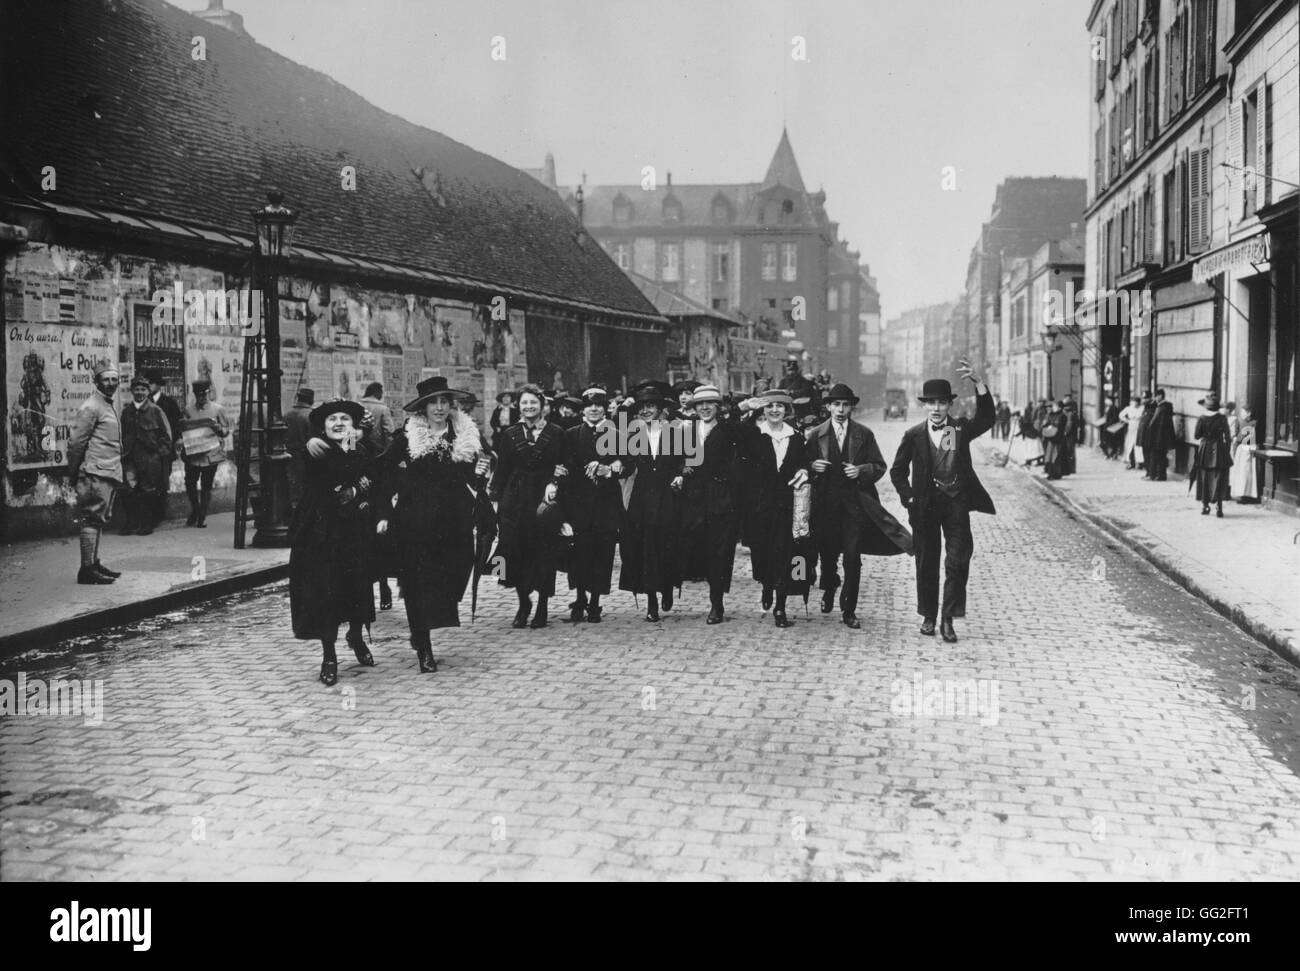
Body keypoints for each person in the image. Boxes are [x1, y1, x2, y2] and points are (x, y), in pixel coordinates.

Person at [373, 376, 489, 672]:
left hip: (454, 520)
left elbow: (480, 471)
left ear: (452, 405)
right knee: (417, 582)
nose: (439, 408)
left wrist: (482, 471)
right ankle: (422, 644)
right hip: (415, 520)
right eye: (432, 402)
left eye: (444, 401)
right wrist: (385, 512)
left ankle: (425, 626)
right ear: (422, 408)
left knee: (455, 572)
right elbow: (382, 471)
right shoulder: (407, 437)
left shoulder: (467, 435)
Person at [889, 361, 996, 644]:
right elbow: (897, 471)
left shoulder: (959, 430)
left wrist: (980, 383)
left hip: (956, 503)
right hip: (925, 506)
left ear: (949, 405)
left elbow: (986, 420)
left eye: (942, 403)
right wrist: (909, 498)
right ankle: (928, 616)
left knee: (957, 561)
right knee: (926, 562)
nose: (936, 408)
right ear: (925, 406)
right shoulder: (913, 435)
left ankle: (948, 618)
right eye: (931, 403)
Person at [807, 383, 912, 629]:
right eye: (836, 405)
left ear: (851, 407)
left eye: (845, 405)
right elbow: (801, 465)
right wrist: (812, 466)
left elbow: (879, 465)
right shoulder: (815, 435)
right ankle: (830, 588)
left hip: (854, 506)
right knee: (828, 556)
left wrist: (861, 470)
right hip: (824, 507)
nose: (841, 410)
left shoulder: (864, 434)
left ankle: (848, 610)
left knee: (852, 558)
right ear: (828, 407)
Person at [290, 399, 379, 686]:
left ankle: (356, 635)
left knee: (357, 587)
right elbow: (334, 477)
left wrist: (360, 484)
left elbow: (374, 473)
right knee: (327, 593)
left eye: (345, 419)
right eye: (332, 420)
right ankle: (329, 655)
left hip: (355, 531)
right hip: (324, 533)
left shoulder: (360, 449)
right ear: (323, 427)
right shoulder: (316, 450)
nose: (339, 423)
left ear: (354, 425)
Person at [490, 384, 566, 629]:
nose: (529, 407)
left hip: (544, 502)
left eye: (533, 402)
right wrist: (495, 501)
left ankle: (542, 605)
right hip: (515, 501)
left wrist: (555, 483)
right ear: (518, 406)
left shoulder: (556, 433)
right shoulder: (510, 434)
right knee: (513, 553)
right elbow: (501, 471)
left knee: (544, 553)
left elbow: (564, 465)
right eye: (524, 403)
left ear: (542, 404)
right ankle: (524, 603)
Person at [740, 389, 811, 629]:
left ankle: (780, 606)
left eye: (779, 406)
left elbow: (804, 462)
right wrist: (745, 408)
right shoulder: (754, 435)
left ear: (786, 410)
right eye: (770, 406)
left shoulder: (797, 437)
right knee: (762, 553)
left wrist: (804, 470)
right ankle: (766, 585)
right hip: (759, 506)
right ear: (763, 409)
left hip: (786, 505)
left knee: (784, 553)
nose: (774, 410)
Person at [674, 384, 743, 625]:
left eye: (709, 404)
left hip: (721, 498)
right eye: (699, 405)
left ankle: (717, 603)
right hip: (693, 499)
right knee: (696, 548)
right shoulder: (687, 431)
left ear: (718, 407)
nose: (704, 408)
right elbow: (674, 460)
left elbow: (740, 463)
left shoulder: (729, 431)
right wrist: (682, 469)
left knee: (719, 551)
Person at [558, 386, 626, 623]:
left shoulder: (618, 434)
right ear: (583, 409)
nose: (594, 409)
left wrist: (610, 469)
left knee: (603, 552)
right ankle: (579, 598)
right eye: (589, 405)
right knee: (579, 553)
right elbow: (565, 467)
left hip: (606, 504)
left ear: (605, 407)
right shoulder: (572, 434)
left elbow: (629, 464)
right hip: (579, 505)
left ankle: (595, 601)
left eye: (598, 405)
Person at [618, 381, 685, 622]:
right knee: (645, 548)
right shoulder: (633, 433)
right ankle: (652, 601)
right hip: (643, 497)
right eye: (642, 407)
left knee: (667, 545)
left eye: (651, 406)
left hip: (668, 495)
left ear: (660, 408)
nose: (646, 411)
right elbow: (626, 463)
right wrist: (616, 468)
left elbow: (683, 463)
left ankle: (666, 587)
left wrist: (680, 475)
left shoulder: (675, 432)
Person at [67, 361, 125, 584]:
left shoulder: (106, 404)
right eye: (106, 380)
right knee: (91, 518)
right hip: (95, 472)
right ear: (96, 382)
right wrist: (73, 473)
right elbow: (76, 443)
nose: (111, 383)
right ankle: (86, 570)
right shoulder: (91, 406)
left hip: (107, 471)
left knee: (97, 519)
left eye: (114, 379)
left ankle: (93, 563)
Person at [119, 375, 173, 535]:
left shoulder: (156, 411)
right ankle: (131, 523)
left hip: (149, 458)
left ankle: (146, 524)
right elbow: (121, 434)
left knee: (148, 491)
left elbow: (167, 437)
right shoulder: (126, 412)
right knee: (128, 489)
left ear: (148, 391)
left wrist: (158, 455)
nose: (140, 392)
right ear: (132, 391)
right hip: (130, 457)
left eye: (143, 389)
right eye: (136, 389)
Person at [179, 379, 229, 527]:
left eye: (205, 394)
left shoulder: (218, 409)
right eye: (199, 395)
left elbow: (226, 431)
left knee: (207, 485)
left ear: (209, 392)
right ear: (194, 394)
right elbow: (184, 430)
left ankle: (202, 516)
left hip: (210, 453)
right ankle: (196, 509)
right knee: (190, 483)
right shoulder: (188, 410)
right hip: (193, 453)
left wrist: (218, 428)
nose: (202, 397)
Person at [144, 370, 181, 523]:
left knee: (162, 481)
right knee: (149, 481)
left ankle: (159, 514)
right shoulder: (144, 403)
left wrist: (175, 441)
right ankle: (151, 515)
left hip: (165, 449)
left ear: (158, 386)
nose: (149, 386)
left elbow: (177, 425)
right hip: (149, 450)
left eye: (151, 383)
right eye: (147, 384)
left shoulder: (169, 403)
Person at [1193, 391, 1233, 517]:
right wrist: (1225, 450)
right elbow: (1228, 436)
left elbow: (1196, 436)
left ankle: (1205, 506)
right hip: (1219, 450)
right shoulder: (1222, 418)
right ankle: (1219, 507)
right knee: (1219, 478)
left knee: (1204, 477)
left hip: (1205, 450)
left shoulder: (1202, 418)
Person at [284, 387, 315, 510]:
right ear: (311, 400)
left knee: (293, 487)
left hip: (290, 456)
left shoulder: (287, 414)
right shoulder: (311, 416)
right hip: (306, 457)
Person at [1146, 388, 1176, 481]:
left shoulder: (1162, 408)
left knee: (1157, 457)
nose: (1154, 398)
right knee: (1161, 456)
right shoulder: (1165, 407)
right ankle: (1159, 475)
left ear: (1160, 396)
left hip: (1158, 438)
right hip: (1162, 438)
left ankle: (1156, 475)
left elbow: (1154, 424)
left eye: (1156, 396)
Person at [1231, 406, 1259, 503]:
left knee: (1246, 473)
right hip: (1240, 449)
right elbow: (1237, 434)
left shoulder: (1253, 423)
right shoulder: (1240, 422)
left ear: (1249, 413)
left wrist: (1238, 439)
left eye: (1244, 412)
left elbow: (1249, 438)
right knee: (1240, 473)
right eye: (1241, 412)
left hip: (1247, 449)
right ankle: (1240, 494)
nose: (1242, 414)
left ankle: (1246, 495)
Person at [359, 382, 396, 453]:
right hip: (377, 449)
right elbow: (389, 431)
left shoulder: (357, 405)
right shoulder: (383, 408)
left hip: (358, 448)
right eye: (381, 393)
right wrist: (389, 451)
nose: (381, 396)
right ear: (377, 392)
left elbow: (350, 431)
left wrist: (351, 449)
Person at [1039, 399, 1068, 480]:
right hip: (1052, 438)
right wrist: (1046, 425)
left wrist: (1052, 425)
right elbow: (1048, 423)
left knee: (1055, 457)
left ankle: (1056, 474)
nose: (1053, 407)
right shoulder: (1053, 414)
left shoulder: (1063, 416)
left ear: (1060, 407)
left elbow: (1059, 426)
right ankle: (1051, 473)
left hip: (1058, 439)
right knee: (1049, 456)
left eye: (1055, 406)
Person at [1119, 395, 1144, 469]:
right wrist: (1126, 420)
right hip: (1131, 427)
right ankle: (1130, 461)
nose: (1135, 404)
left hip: (1139, 428)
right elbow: (1121, 415)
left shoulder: (1142, 408)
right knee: (1130, 445)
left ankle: (1140, 462)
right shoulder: (1129, 408)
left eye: (1137, 402)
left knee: (1138, 446)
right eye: (1134, 402)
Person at [1059, 393, 1080, 475]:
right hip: (1072, 434)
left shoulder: (1069, 414)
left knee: (1069, 451)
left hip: (1069, 435)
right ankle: (1071, 468)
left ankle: (1071, 469)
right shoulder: (1073, 412)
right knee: (1071, 451)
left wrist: (1065, 432)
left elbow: (1069, 425)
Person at [1100, 395, 1122, 459]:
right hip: (1106, 427)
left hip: (1111, 427)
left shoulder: (1114, 408)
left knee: (1112, 442)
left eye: (1107, 400)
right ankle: (1108, 454)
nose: (1105, 401)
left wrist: (1109, 424)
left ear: (1111, 401)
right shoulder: (1107, 407)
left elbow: (1115, 418)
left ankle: (1112, 454)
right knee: (1104, 442)